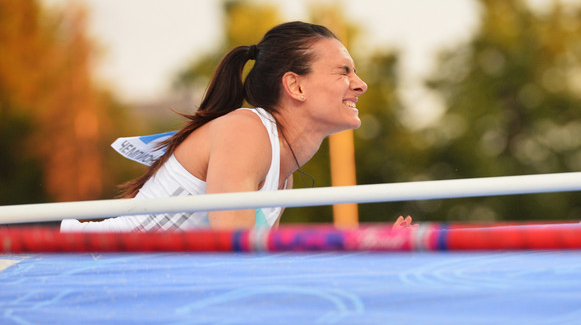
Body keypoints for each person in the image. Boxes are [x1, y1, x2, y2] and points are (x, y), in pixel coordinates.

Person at [61, 21, 370, 231]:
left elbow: (263, 270)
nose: (361, 85)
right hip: (73, 271)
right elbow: (234, 259)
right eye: (343, 72)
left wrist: (367, 252)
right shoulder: (247, 131)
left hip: (138, 291)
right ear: (295, 86)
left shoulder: (283, 174)